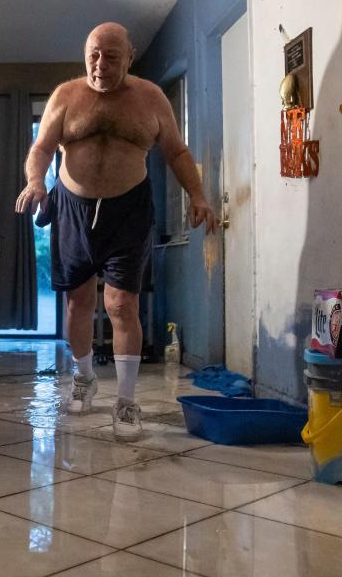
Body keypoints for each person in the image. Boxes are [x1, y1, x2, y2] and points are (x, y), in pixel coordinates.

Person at [15, 22, 216, 439]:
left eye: (110, 56)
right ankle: (85, 378)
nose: (100, 65)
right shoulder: (66, 96)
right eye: (93, 54)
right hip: (72, 207)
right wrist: (36, 180)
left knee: (122, 305)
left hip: (129, 209)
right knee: (77, 303)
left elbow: (176, 151)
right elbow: (42, 148)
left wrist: (197, 195)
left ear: (130, 55)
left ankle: (126, 402)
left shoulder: (150, 98)